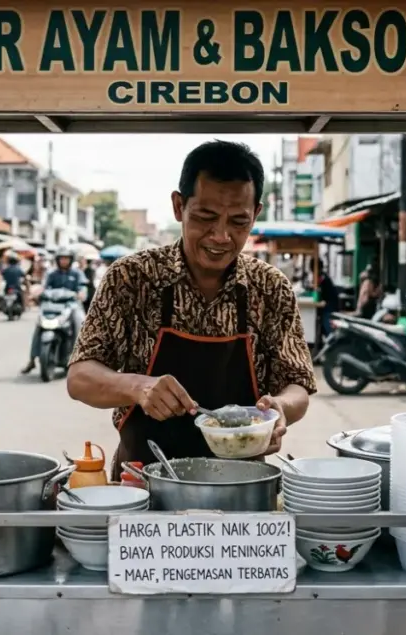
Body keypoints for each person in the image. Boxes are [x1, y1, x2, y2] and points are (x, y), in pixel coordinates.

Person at [66, 140, 316, 480]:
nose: (221, 236)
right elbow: (80, 378)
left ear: (255, 214)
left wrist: (280, 409)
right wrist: (138, 387)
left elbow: (297, 384)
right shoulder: (132, 278)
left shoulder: (269, 287)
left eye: (238, 222)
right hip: (144, 481)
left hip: (242, 486)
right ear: (179, 206)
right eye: (205, 217)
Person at [21, 247, 87, 374]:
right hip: (52, 305)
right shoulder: (51, 274)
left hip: (71, 305)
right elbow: (44, 287)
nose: (63, 261)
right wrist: (36, 293)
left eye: (66, 259)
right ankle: (32, 360)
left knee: (80, 323)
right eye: (61, 258)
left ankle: (80, 357)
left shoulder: (77, 273)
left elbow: (82, 288)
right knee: (39, 326)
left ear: (70, 260)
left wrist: (81, 294)